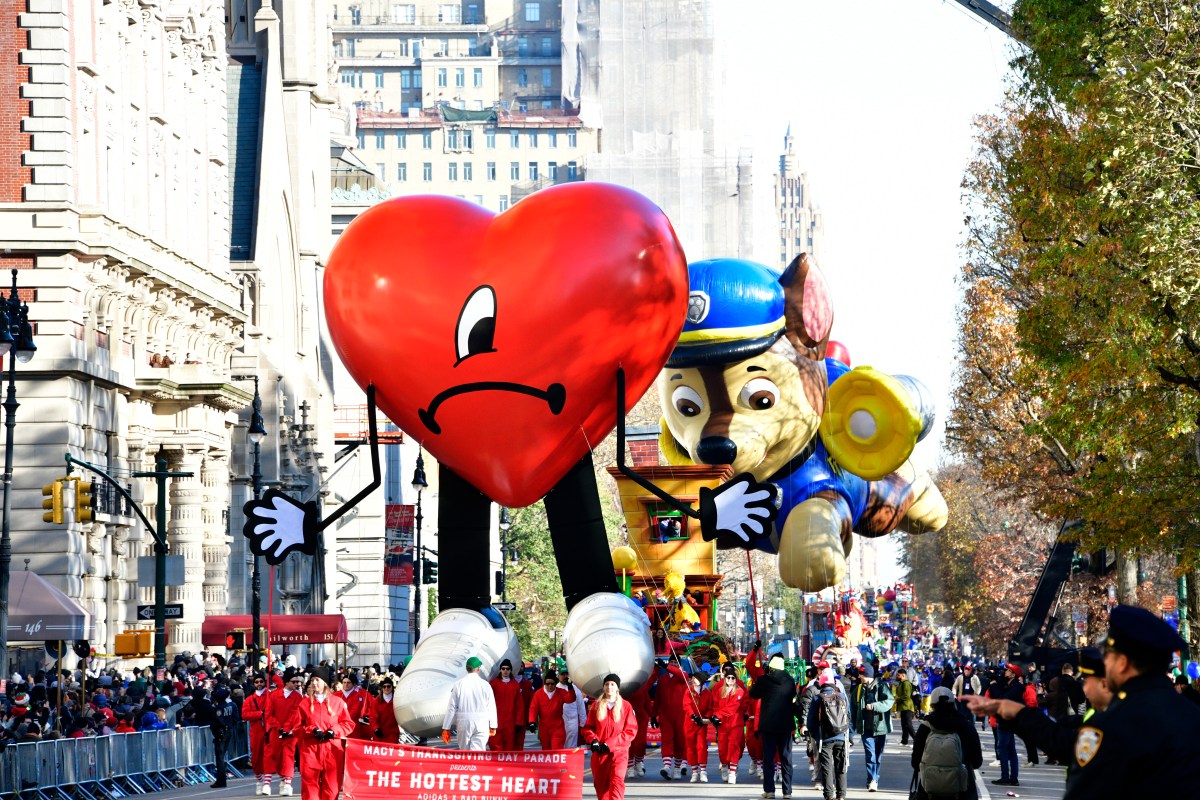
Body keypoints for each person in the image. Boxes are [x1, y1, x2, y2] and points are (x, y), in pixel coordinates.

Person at [1059, 606, 1200, 797]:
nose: (1105, 664)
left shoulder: (1110, 725)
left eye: (1107, 656)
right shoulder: (1193, 717)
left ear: (1122, 663)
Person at [960, 647, 1113, 783]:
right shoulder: (1099, 717)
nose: (1084, 689)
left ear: (1105, 683)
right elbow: (1061, 742)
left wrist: (1018, 713)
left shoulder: (1117, 721)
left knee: (1007, 749)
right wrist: (1017, 713)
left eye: (1087, 681)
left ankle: (1010, 776)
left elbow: (1062, 742)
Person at [911, 686, 981, 800]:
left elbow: (915, 763)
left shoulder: (926, 726)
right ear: (953, 703)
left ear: (932, 705)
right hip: (963, 791)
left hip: (929, 790)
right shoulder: (966, 725)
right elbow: (977, 762)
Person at [295, 667, 354, 800]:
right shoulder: (304, 704)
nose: (314, 683)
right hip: (311, 751)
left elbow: (348, 724)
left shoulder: (337, 702)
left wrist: (335, 731)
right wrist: (311, 730)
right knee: (310, 790)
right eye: (312, 680)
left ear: (325, 683)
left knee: (332, 789)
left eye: (317, 680)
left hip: (332, 751)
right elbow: (297, 728)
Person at [581, 674, 639, 800]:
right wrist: (593, 740)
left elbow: (630, 731)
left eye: (612, 684)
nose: (609, 687)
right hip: (600, 754)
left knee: (617, 784)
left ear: (617, 687)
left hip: (619, 753)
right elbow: (588, 728)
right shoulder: (596, 706)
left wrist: (610, 744)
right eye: (607, 684)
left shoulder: (626, 706)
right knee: (601, 789)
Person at [748, 654, 797, 799]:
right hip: (785, 725)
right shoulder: (789, 681)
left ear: (771, 667)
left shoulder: (764, 680)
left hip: (768, 725)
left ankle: (769, 791)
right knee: (786, 759)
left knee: (768, 759)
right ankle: (787, 792)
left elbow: (753, 694)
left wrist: (758, 682)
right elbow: (793, 699)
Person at [807, 670, 850, 800]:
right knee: (840, 766)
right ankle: (841, 795)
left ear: (821, 683)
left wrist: (815, 736)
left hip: (824, 739)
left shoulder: (817, 698)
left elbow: (811, 722)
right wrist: (849, 736)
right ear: (833, 682)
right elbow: (849, 717)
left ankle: (829, 795)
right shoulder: (842, 696)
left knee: (826, 767)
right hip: (841, 736)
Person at [852, 662, 894, 793]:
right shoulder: (858, 690)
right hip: (866, 729)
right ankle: (872, 780)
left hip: (881, 728)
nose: (859, 677)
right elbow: (852, 709)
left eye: (861, 674)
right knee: (870, 755)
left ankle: (875, 777)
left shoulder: (882, 687)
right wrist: (851, 731)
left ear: (867, 675)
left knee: (878, 756)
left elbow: (889, 701)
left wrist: (874, 706)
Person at [440, 656, 497, 751]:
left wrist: (446, 727)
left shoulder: (458, 684)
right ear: (478, 668)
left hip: (463, 721)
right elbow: (491, 706)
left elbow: (452, 707)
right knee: (478, 753)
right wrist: (493, 725)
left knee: (465, 752)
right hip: (481, 722)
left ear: (467, 668)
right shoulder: (485, 685)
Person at [267, 671, 306, 796]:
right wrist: (278, 726)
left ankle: (288, 783)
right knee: (277, 756)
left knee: (288, 755)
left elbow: (295, 714)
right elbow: (268, 713)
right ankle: (283, 778)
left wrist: (286, 728)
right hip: (276, 731)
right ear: (287, 682)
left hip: (290, 732)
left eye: (298, 682)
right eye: (294, 682)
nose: (297, 684)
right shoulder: (274, 695)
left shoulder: (298, 697)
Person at [710, 665, 750, 784]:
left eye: (733, 678)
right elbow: (715, 706)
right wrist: (715, 715)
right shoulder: (719, 692)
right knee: (722, 749)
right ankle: (725, 767)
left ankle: (732, 772)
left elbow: (734, 707)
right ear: (725, 679)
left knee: (734, 747)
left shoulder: (740, 691)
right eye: (728, 678)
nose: (731, 680)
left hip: (736, 724)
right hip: (723, 725)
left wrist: (717, 715)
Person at [652, 656, 689, 780]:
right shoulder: (662, 680)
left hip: (681, 715)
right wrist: (653, 715)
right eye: (671, 662)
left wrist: (667, 666)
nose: (673, 664)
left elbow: (680, 674)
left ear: (679, 665)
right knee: (667, 740)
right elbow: (657, 698)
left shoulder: (683, 676)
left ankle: (677, 768)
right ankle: (667, 766)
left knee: (680, 741)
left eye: (675, 662)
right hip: (665, 715)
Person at [527, 670, 577, 750]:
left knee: (556, 750)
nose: (550, 686)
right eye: (547, 684)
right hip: (544, 729)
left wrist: (570, 687)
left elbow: (571, 699)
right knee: (546, 752)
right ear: (544, 683)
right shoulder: (538, 694)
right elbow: (533, 709)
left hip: (557, 728)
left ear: (555, 684)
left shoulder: (560, 692)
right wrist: (532, 722)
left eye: (552, 684)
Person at [242, 673, 272, 794]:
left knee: (268, 757)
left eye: (261, 681)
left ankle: (267, 783)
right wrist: (260, 713)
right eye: (256, 682)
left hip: (269, 730)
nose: (259, 684)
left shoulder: (270, 696)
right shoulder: (249, 699)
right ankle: (259, 781)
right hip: (255, 732)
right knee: (256, 759)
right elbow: (244, 715)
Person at [681, 672, 713, 783]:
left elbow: (710, 708)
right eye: (692, 678)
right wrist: (693, 716)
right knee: (690, 747)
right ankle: (694, 771)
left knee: (702, 747)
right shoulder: (688, 691)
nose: (693, 680)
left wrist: (706, 717)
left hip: (701, 724)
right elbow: (686, 705)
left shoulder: (707, 694)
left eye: (695, 678)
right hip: (690, 724)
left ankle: (703, 771)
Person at [489, 659, 523, 750]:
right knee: (495, 746)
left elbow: (519, 705)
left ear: (510, 670)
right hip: (495, 721)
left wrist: (518, 722)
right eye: (503, 668)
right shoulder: (493, 684)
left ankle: (506, 764)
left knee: (509, 747)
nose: (505, 671)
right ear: (500, 670)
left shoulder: (515, 685)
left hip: (510, 722)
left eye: (507, 669)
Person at [557, 668, 587, 747]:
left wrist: (583, 723)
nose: (565, 676)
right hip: (559, 722)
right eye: (563, 674)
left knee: (572, 745)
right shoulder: (555, 688)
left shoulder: (575, 689)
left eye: (567, 674)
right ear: (558, 676)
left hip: (572, 721)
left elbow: (581, 706)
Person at [339, 674, 373, 741]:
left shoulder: (360, 695)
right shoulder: (337, 694)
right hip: (339, 727)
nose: (346, 685)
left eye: (348, 683)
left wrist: (367, 715)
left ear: (354, 684)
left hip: (355, 727)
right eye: (344, 682)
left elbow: (355, 711)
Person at [895, 668, 918, 746]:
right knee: (904, 725)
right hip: (903, 706)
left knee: (908, 725)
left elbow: (906, 696)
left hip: (907, 706)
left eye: (898, 675)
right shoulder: (901, 683)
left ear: (903, 675)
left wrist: (897, 699)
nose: (897, 676)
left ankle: (917, 741)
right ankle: (904, 741)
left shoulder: (906, 683)